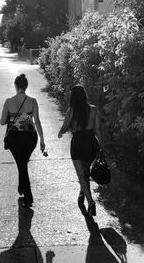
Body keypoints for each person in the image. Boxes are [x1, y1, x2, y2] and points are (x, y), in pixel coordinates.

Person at [0, 74, 45, 208]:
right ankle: (22, 187)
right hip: (31, 137)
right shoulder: (33, 101)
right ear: (26, 86)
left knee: (21, 163)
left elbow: (2, 122)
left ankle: (28, 196)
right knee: (23, 162)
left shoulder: (9, 101)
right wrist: (42, 140)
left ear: (16, 86)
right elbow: (37, 121)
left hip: (15, 138)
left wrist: (11, 116)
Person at [58, 85, 104, 217]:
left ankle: (90, 202)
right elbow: (98, 129)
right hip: (91, 143)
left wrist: (61, 132)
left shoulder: (71, 111)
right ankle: (83, 193)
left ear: (72, 97)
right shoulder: (93, 109)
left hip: (77, 144)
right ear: (85, 95)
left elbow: (65, 127)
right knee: (86, 173)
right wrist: (102, 145)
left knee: (81, 175)